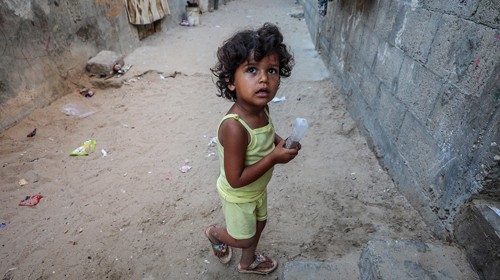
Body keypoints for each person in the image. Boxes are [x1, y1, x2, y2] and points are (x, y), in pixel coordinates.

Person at [205, 22, 300, 275]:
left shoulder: (262, 109)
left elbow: (266, 134)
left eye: (272, 70)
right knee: (244, 238)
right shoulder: (234, 128)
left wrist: (280, 143)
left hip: (257, 189)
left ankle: (247, 263)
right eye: (251, 70)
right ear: (231, 82)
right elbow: (235, 180)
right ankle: (214, 233)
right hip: (240, 196)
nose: (263, 79)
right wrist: (273, 158)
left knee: (260, 223)